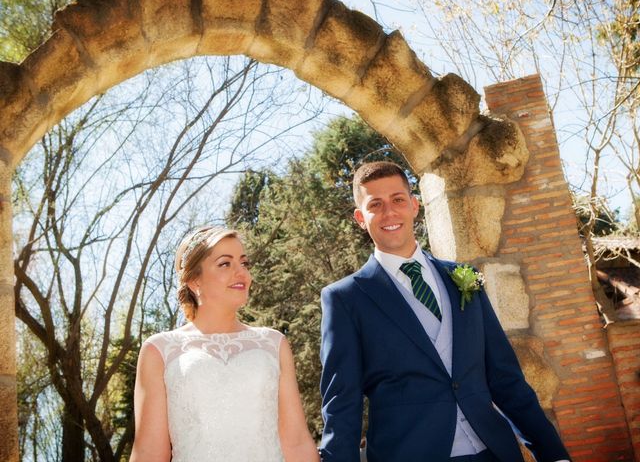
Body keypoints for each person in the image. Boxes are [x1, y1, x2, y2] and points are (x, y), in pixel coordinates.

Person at [318, 161, 571, 462]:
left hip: (494, 452)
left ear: (414, 205)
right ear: (361, 218)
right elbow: (342, 404)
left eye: (398, 199)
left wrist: (554, 455)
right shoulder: (345, 298)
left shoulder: (464, 277)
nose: (390, 212)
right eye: (376, 204)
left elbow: (506, 380)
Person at [130, 226, 319, 462]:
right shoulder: (159, 351)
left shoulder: (273, 344)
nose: (242, 273)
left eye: (244, 263)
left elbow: (296, 441)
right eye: (225, 264)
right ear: (194, 280)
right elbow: (149, 452)